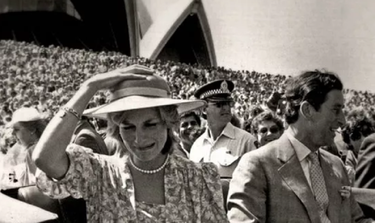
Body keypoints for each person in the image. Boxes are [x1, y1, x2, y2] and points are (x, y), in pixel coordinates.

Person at [33, 65, 228, 222]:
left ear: (168, 123)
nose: (139, 139)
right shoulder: (99, 173)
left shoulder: (197, 178)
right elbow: (44, 158)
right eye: (128, 127)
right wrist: (89, 87)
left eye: (150, 124)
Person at [227, 70, 372, 223]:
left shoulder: (336, 165)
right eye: (336, 110)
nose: (343, 120)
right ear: (307, 110)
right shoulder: (257, 165)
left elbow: (357, 219)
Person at [189, 79, 258, 209]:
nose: (226, 108)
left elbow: (256, 187)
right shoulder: (197, 146)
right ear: (204, 110)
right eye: (219, 104)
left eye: (228, 103)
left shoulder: (246, 141)